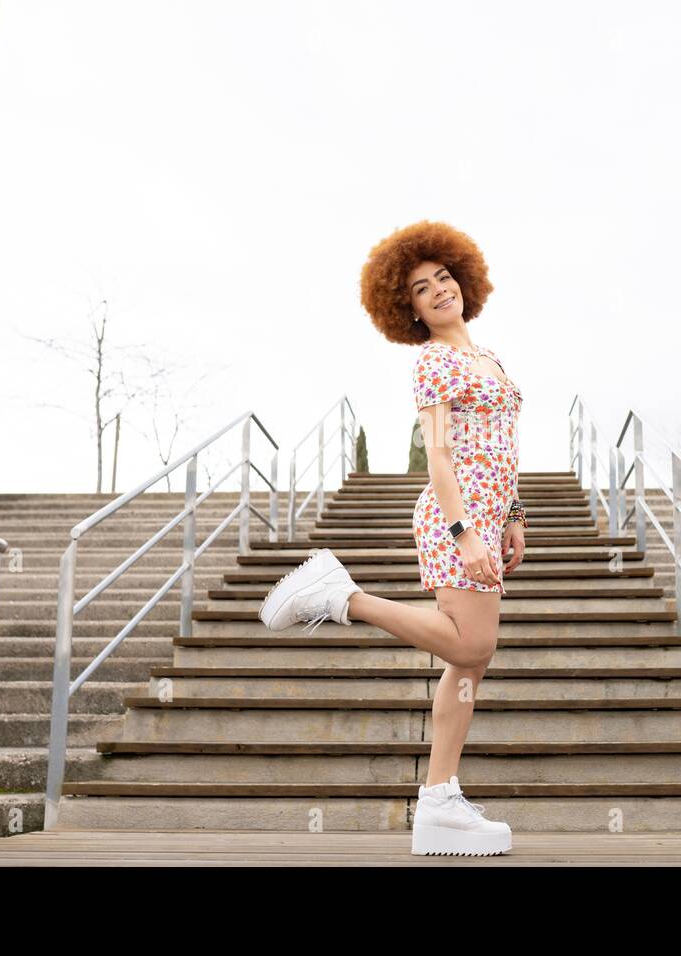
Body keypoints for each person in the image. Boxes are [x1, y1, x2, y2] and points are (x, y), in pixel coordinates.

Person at [258, 220, 526, 856]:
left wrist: (513, 514)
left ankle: (439, 800)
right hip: (453, 515)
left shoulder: (489, 360)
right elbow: (438, 457)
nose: (437, 291)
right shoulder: (434, 361)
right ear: (406, 310)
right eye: (419, 289)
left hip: (489, 514)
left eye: (443, 278)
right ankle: (345, 599)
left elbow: (502, 445)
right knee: (473, 643)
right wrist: (465, 532)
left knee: (471, 662)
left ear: (465, 281)